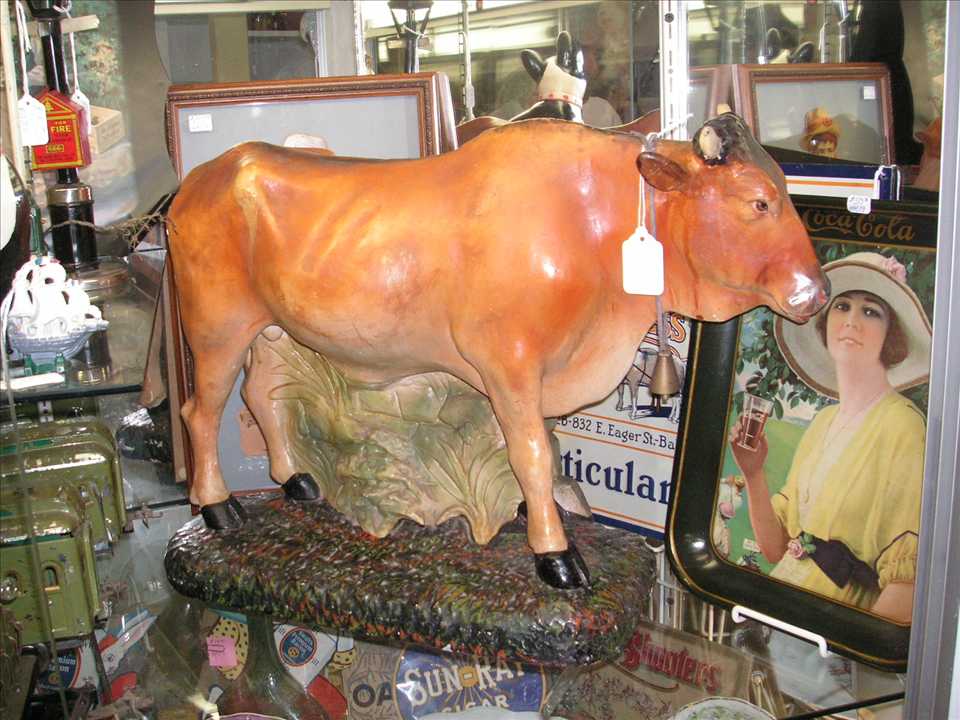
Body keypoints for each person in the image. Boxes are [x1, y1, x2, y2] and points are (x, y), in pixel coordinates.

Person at [729, 252, 932, 623]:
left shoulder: (904, 427)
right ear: (824, 324)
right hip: (783, 610)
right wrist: (753, 473)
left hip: (831, 632)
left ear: (892, 336)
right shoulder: (822, 422)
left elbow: (908, 589)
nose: (851, 321)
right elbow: (774, 549)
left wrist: (844, 646)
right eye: (842, 306)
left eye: (870, 311)